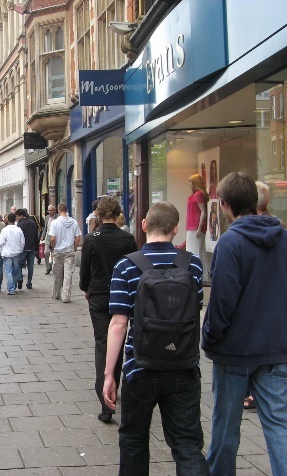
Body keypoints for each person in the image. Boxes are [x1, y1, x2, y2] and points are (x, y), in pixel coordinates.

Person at [103, 201, 208, 475]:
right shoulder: (193, 265)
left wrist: (108, 375)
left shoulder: (126, 266)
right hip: (183, 368)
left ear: (144, 225)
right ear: (175, 230)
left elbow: (117, 324)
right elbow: (195, 312)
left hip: (140, 367)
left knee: (134, 440)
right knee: (187, 444)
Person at [202, 171, 287, 475]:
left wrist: (210, 338)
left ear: (224, 204)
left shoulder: (230, 243)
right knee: (279, 427)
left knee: (226, 430)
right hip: (276, 348)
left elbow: (222, 302)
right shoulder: (283, 238)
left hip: (234, 351)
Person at [79, 196, 137, 422]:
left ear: (99, 214)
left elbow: (85, 273)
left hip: (99, 296)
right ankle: (115, 386)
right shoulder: (127, 238)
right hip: (122, 296)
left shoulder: (91, 239)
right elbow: (134, 267)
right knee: (119, 342)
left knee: (102, 343)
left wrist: (87, 288)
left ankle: (106, 403)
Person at [49, 204, 81, 303]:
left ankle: (56, 293)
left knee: (57, 274)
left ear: (58, 211)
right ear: (66, 210)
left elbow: (53, 238)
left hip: (58, 251)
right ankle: (66, 296)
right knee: (68, 275)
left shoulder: (55, 223)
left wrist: (53, 247)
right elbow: (78, 238)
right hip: (69, 251)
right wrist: (74, 248)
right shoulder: (74, 222)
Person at [186, 173, 208, 279]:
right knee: (199, 251)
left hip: (195, 226)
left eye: (191, 182)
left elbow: (203, 211)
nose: (190, 185)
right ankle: (202, 275)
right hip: (194, 226)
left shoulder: (198, 194)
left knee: (193, 251)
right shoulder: (198, 194)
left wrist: (199, 227)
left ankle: (196, 275)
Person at [0, 212, 24, 295]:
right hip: (16, 253)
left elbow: (1, 243)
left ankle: (11, 288)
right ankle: (13, 286)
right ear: (15, 219)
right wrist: (20, 250)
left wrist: (2, 251)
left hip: (7, 253)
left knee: (8, 271)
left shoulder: (4, 230)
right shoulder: (19, 230)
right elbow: (22, 242)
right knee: (16, 271)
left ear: (8, 220)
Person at [16, 208, 39, 289]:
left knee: (19, 264)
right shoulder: (33, 223)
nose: (17, 218)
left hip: (22, 248)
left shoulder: (19, 225)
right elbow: (36, 236)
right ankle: (29, 282)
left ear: (21, 216)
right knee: (30, 266)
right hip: (32, 247)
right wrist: (37, 248)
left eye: (17, 216)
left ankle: (20, 278)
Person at [41, 204, 58, 274]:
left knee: (54, 253)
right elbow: (46, 227)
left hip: (55, 237)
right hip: (48, 236)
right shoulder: (47, 217)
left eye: (51, 210)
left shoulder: (58, 217)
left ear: (54, 210)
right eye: (48, 210)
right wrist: (43, 235)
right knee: (46, 252)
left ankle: (54, 267)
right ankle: (48, 267)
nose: (49, 212)